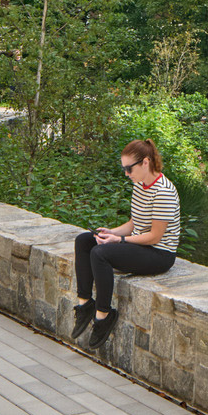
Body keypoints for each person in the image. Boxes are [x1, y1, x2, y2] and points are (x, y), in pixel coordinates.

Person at [72, 138, 180, 348]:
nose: (126, 174)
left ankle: (103, 316)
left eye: (129, 169)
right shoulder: (140, 186)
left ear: (145, 163)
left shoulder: (164, 191)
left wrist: (119, 240)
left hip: (159, 253)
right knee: (85, 241)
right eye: (124, 169)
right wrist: (111, 232)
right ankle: (85, 305)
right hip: (139, 245)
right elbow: (134, 223)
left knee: (100, 254)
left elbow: (155, 237)